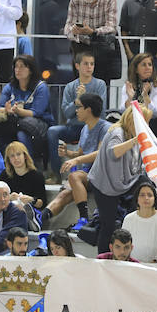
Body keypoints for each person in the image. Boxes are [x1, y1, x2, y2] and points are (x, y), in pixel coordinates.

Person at [87, 104, 153, 254]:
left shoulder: (134, 134)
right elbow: (113, 153)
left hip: (123, 181)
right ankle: (103, 257)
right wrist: (136, 140)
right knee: (108, 225)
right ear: (133, 120)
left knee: (144, 181)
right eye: (144, 121)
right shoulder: (118, 132)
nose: (147, 125)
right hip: (104, 184)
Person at [41, 92, 110, 230]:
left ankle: (84, 218)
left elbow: (100, 154)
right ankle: (40, 218)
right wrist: (68, 153)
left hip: (100, 175)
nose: (76, 110)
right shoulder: (85, 128)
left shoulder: (106, 127)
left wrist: (76, 160)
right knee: (64, 194)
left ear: (88, 110)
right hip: (85, 175)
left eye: (79, 107)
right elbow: (81, 153)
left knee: (74, 176)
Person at [47, 51, 107, 180]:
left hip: (93, 128)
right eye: (86, 64)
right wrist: (77, 100)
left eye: (92, 64)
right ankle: (56, 173)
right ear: (77, 66)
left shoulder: (100, 84)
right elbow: (67, 113)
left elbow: (100, 111)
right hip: (74, 127)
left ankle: (93, 175)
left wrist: (83, 102)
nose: (89, 67)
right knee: (52, 131)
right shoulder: (70, 87)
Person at [0, 54, 53, 162]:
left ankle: (28, 167)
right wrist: (6, 110)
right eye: (16, 66)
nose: (18, 70)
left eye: (22, 66)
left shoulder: (41, 87)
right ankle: (1, 166)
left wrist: (17, 111)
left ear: (31, 70)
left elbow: (36, 112)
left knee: (21, 134)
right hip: (15, 122)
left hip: (37, 124)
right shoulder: (10, 87)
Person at [63, 0, 121, 83]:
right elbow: (67, 28)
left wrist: (93, 32)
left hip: (102, 47)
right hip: (81, 47)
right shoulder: (76, 0)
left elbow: (111, 27)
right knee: (80, 85)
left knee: (101, 84)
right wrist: (73, 31)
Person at [120, 181, 157, 263]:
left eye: (150, 195)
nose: (146, 198)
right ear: (137, 199)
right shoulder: (128, 219)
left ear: (155, 199)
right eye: (142, 195)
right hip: (133, 265)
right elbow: (123, 244)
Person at [0, 141, 47, 222]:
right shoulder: (4, 175)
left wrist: (32, 200)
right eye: (12, 156)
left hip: (29, 212)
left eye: (18, 154)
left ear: (25, 156)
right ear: (9, 159)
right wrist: (8, 198)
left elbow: (42, 203)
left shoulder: (37, 175)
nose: (16, 158)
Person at [120, 52, 157, 122]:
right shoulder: (129, 85)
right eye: (143, 65)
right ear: (136, 69)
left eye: (150, 65)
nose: (148, 68)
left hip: (151, 122)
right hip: (131, 121)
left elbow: (155, 113)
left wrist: (145, 96)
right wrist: (130, 98)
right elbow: (122, 111)